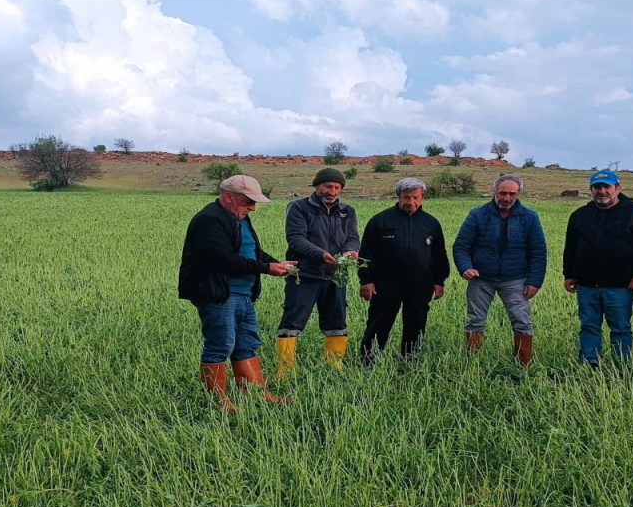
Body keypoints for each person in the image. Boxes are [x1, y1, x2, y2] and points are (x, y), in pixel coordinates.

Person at [178, 175, 295, 413]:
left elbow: (253, 252)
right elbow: (222, 259)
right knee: (220, 345)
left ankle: (256, 394)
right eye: (248, 202)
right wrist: (266, 268)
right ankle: (217, 401)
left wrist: (276, 263)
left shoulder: (239, 218)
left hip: (243, 294)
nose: (252, 208)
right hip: (219, 294)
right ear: (229, 196)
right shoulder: (209, 220)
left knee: (246, 344)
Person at [562, 169, 633, 367]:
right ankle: (589, 364)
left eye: (607, 186)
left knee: (620, 328)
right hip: (587, 284)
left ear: (618, 188)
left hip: (620, 285)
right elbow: (570, 248)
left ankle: (621, 367)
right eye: (597, 187)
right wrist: (569, 274)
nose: (602, 191)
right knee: (588, 326)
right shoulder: (580, 215)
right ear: (591, 189)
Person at [452, 174, 547, 366]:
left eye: (512, 194)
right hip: (481, 278)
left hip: (515, 279)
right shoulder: (477, 215)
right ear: (494, 191)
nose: (507, 198)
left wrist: (534, 281)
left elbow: (538, 252)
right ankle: (472, 364)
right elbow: (461, 246)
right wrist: (465, 267)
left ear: (518, 194)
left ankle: (523, 365)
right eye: (503, 193)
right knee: (475, 320)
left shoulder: (530, 217)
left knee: (522, 321)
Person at [276, 167, 361, 376]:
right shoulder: (299, 207)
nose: (332, 191)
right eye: (328, 186)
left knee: (336, 322)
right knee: (292, 323)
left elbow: (353, 237)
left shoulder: (347, 211)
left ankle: (334, 368)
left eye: (337, 187)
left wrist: (350, 251)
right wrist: (321, 254)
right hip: (304, 275)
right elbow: (296, 238)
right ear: (316, 186)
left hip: (336, 276)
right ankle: (284, 372)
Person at [357, 177, 450, 363]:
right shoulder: (380, 221)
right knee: (379, 321)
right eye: (406, 197)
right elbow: (366, 254)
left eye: (416, 197)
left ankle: (410, 359)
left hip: (420, 284)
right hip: (386, 283)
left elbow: (439, 255)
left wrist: (439, 281)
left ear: (422, 197)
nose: (411, 202)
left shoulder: (431, 223)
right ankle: (369, 360)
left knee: (416, 322)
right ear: (398, 196)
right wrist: (366, 280)